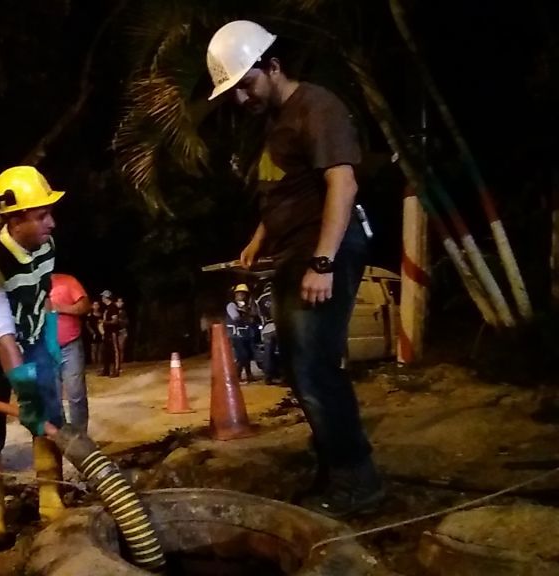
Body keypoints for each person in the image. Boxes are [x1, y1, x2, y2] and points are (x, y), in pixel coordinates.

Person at [207, 20, 382, 517]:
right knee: (300, 367)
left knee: (314, 367)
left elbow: (342, 185)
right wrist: (258, 239)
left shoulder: (316, 107)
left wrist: (322, 262)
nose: (241, 98)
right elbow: (285, 190)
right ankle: (333, 469)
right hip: (294, 253)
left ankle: (357, 479)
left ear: (273, 65)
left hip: (321, 251)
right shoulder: (276, 122)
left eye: (247, 84)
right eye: (234, 90)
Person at [0, 165, 66, 548]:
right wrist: (25, 391)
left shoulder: (46, 246)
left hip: (31, 340)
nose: (51, 223)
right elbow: (2, 339)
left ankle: (51, 498)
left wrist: (49, 342)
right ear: (15, 219)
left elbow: (44, 297)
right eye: (42, 215)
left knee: (49, 414)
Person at [50, 273, 91, 433]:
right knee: (53, 398)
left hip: (70, 346)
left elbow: (85, 305)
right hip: (45, 350)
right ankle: (62, 437)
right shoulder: (30, 285)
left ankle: (80, 437)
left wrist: (59, 307)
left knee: (76, 394)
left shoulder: (67, 281)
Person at [225, 284, 258, 382]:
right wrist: (245, 314)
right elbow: (235, 317)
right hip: (236, 335)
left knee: (248, 355)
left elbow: (254, 315)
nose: (242, 296)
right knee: (242, 355)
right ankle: (237, 375)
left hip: (246, 334)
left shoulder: (247, 306)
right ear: (235, 294)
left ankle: (249, 375)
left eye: (244, 294)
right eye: (240, 294)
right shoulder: (232, 305)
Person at [256, 281, 281, 384]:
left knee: (268, 354)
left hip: (267, 329)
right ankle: (284, 377)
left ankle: (268, 377)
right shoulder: (278, 295)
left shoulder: (259, 300)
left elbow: (258, 315)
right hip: (278, 327)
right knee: (283, 352)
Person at [85, 300, 104, 365]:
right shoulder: (89, 315)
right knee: (94, 350)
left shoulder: (101, 314)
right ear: (92, 306)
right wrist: (92, 332)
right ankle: (94, 364)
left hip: (101, 333)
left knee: (100, 350)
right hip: (93, 334)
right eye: (94, 305)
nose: (96, 306)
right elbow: (87, 324)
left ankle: (99, 364)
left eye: (97, 305)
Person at [114, 296, 130, 369]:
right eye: (118, 301)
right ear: (115, 303)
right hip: (114, 332)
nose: (120, 303)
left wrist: (120, 320)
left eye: (121, 302)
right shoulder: (112, 311)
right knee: (115, 349)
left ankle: (120, 365)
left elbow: (127, 322)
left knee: (121, 348)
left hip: (122, 331)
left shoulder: (124, 312)